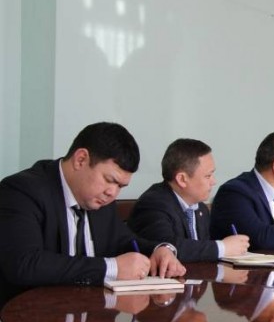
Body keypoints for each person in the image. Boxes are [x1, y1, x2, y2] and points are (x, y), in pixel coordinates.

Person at [0, 122, 185, 304]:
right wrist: (110, 268)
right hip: (31, 314)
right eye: (109, 180)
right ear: (81, 159)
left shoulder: (100, 200)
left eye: (120, 186)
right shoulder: (21, 191)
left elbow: (124, 241)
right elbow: (24, 264)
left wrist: (159, 250)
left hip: (91, 312)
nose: (112, 193)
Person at [128, 138, 250, 262]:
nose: (214, 181)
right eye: (208, 176)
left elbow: (200, 252)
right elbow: (167, 247)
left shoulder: (201, 208)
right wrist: (222, 248)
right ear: (182, 179)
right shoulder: (153, 204)